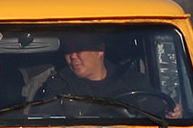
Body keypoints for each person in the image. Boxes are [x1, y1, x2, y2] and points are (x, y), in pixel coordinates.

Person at [36, 34, 178, 118]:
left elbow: (157, 118)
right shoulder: (58, 86)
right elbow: (45, 125)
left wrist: (172, 115)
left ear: (100, 50)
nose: (73, 56)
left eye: (79, 49)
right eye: (68, 50)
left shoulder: (134, 81)